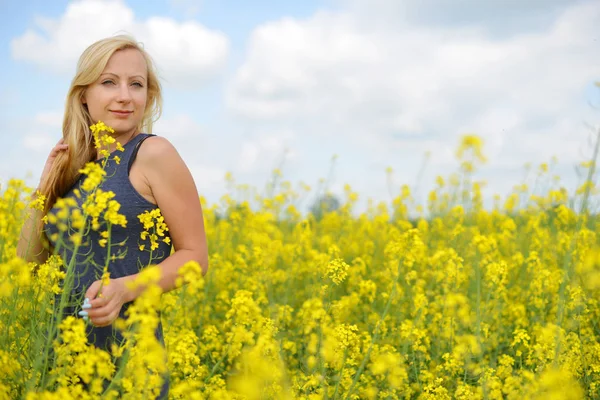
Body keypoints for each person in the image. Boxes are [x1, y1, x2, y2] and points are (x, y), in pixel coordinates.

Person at [16, 34, 209, 398]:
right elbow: (29, 263)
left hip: (128, 366)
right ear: (83, 94)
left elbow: (195, 258)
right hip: (59, 365)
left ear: (148, 97)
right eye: (109, 82)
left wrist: (124, 290)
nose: (124, 95)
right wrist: (43, 191)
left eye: (136, 84)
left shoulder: (153, 154)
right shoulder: (71, 166)